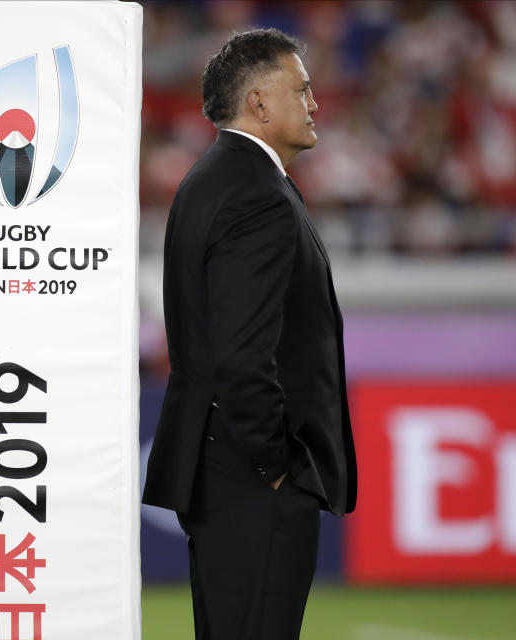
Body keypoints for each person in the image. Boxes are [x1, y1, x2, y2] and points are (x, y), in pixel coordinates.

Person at [142, 28, 357, 640]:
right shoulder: (254, 194)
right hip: (251, 480)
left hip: (223, 470)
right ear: (259, 103)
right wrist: (276, 465)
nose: (315, 103)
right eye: (302, 89)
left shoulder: (212, 177)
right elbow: (242, 356)